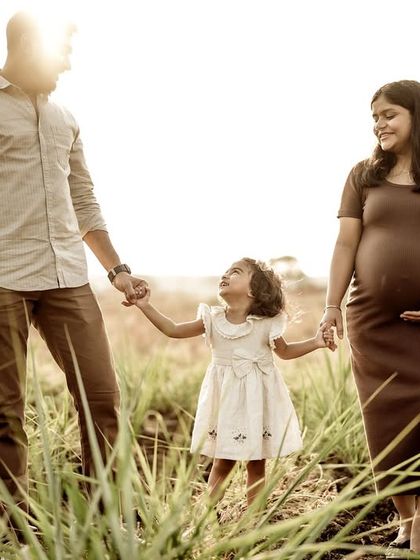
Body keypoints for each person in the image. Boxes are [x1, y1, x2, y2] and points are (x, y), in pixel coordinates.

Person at [0, 11, 147, 521]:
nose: (66, 62)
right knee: (4, 412)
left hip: (67, 275)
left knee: (101, 398)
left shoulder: (65, 117)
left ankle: (111, 521)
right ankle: (13, 529)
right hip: (3, 278)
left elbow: (82, 197)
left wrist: (116, 268)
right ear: (24, 44)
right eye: (59, 49)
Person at [125, 258, 334, 507]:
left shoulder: (267, 324)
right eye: (226, 271)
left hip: (258, 400)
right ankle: (207, 519)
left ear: (253, 290)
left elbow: (285, 352)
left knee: (257, 463)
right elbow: (172, 329)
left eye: (235, 272)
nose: (225, 274)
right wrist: (144, 306)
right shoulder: (212, 319)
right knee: (222, 461)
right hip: (226, 401)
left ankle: (252, 519)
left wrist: (316, 342)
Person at [320, 80, 420, 555]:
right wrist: (330, 305)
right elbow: (345, 245)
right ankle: (406, 520)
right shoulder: (364, 175)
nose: (379, 123)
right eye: (374, 116)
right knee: (384, 421)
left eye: (389, 114)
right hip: (373, 326)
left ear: (416, 116)